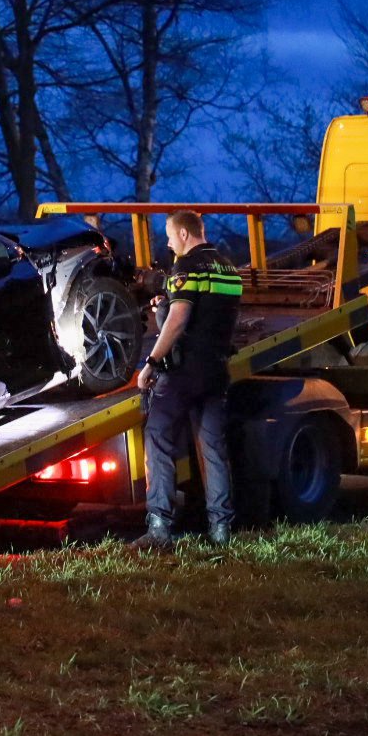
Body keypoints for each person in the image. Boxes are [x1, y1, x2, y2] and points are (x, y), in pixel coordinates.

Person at [133, 210, 242, 549]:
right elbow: (209, 316)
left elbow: (180, 321)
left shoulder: (186, 268)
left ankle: (160, 529)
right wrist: (164, 308)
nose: (166, 242)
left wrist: (151, 362)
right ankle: (221, 530)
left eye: (168, 234)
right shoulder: (229, 270)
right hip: (216, 370)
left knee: (158, 437)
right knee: (212, 450)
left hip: (182, 373)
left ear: (183, 234)